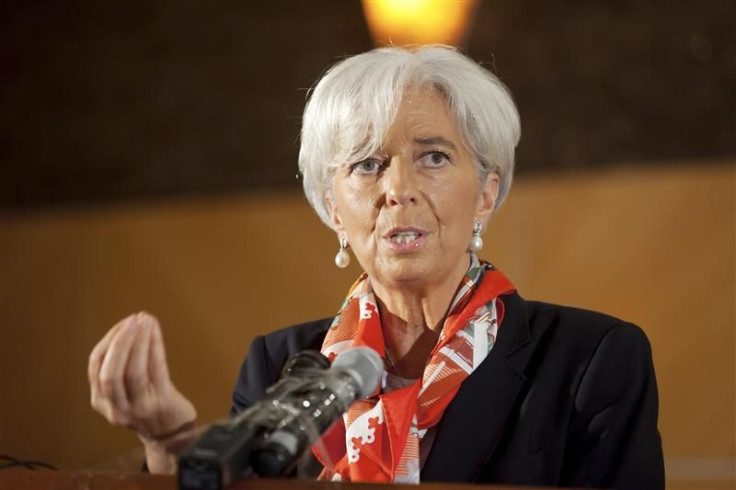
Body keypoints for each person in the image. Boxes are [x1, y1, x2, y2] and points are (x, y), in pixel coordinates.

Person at [88, 45, 664, 488]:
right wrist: (169, 438)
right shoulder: (280, 366)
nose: (398, 190)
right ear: (334, 207)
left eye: (433, 156)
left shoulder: (591, 359)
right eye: (367, 164)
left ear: (486, 193)